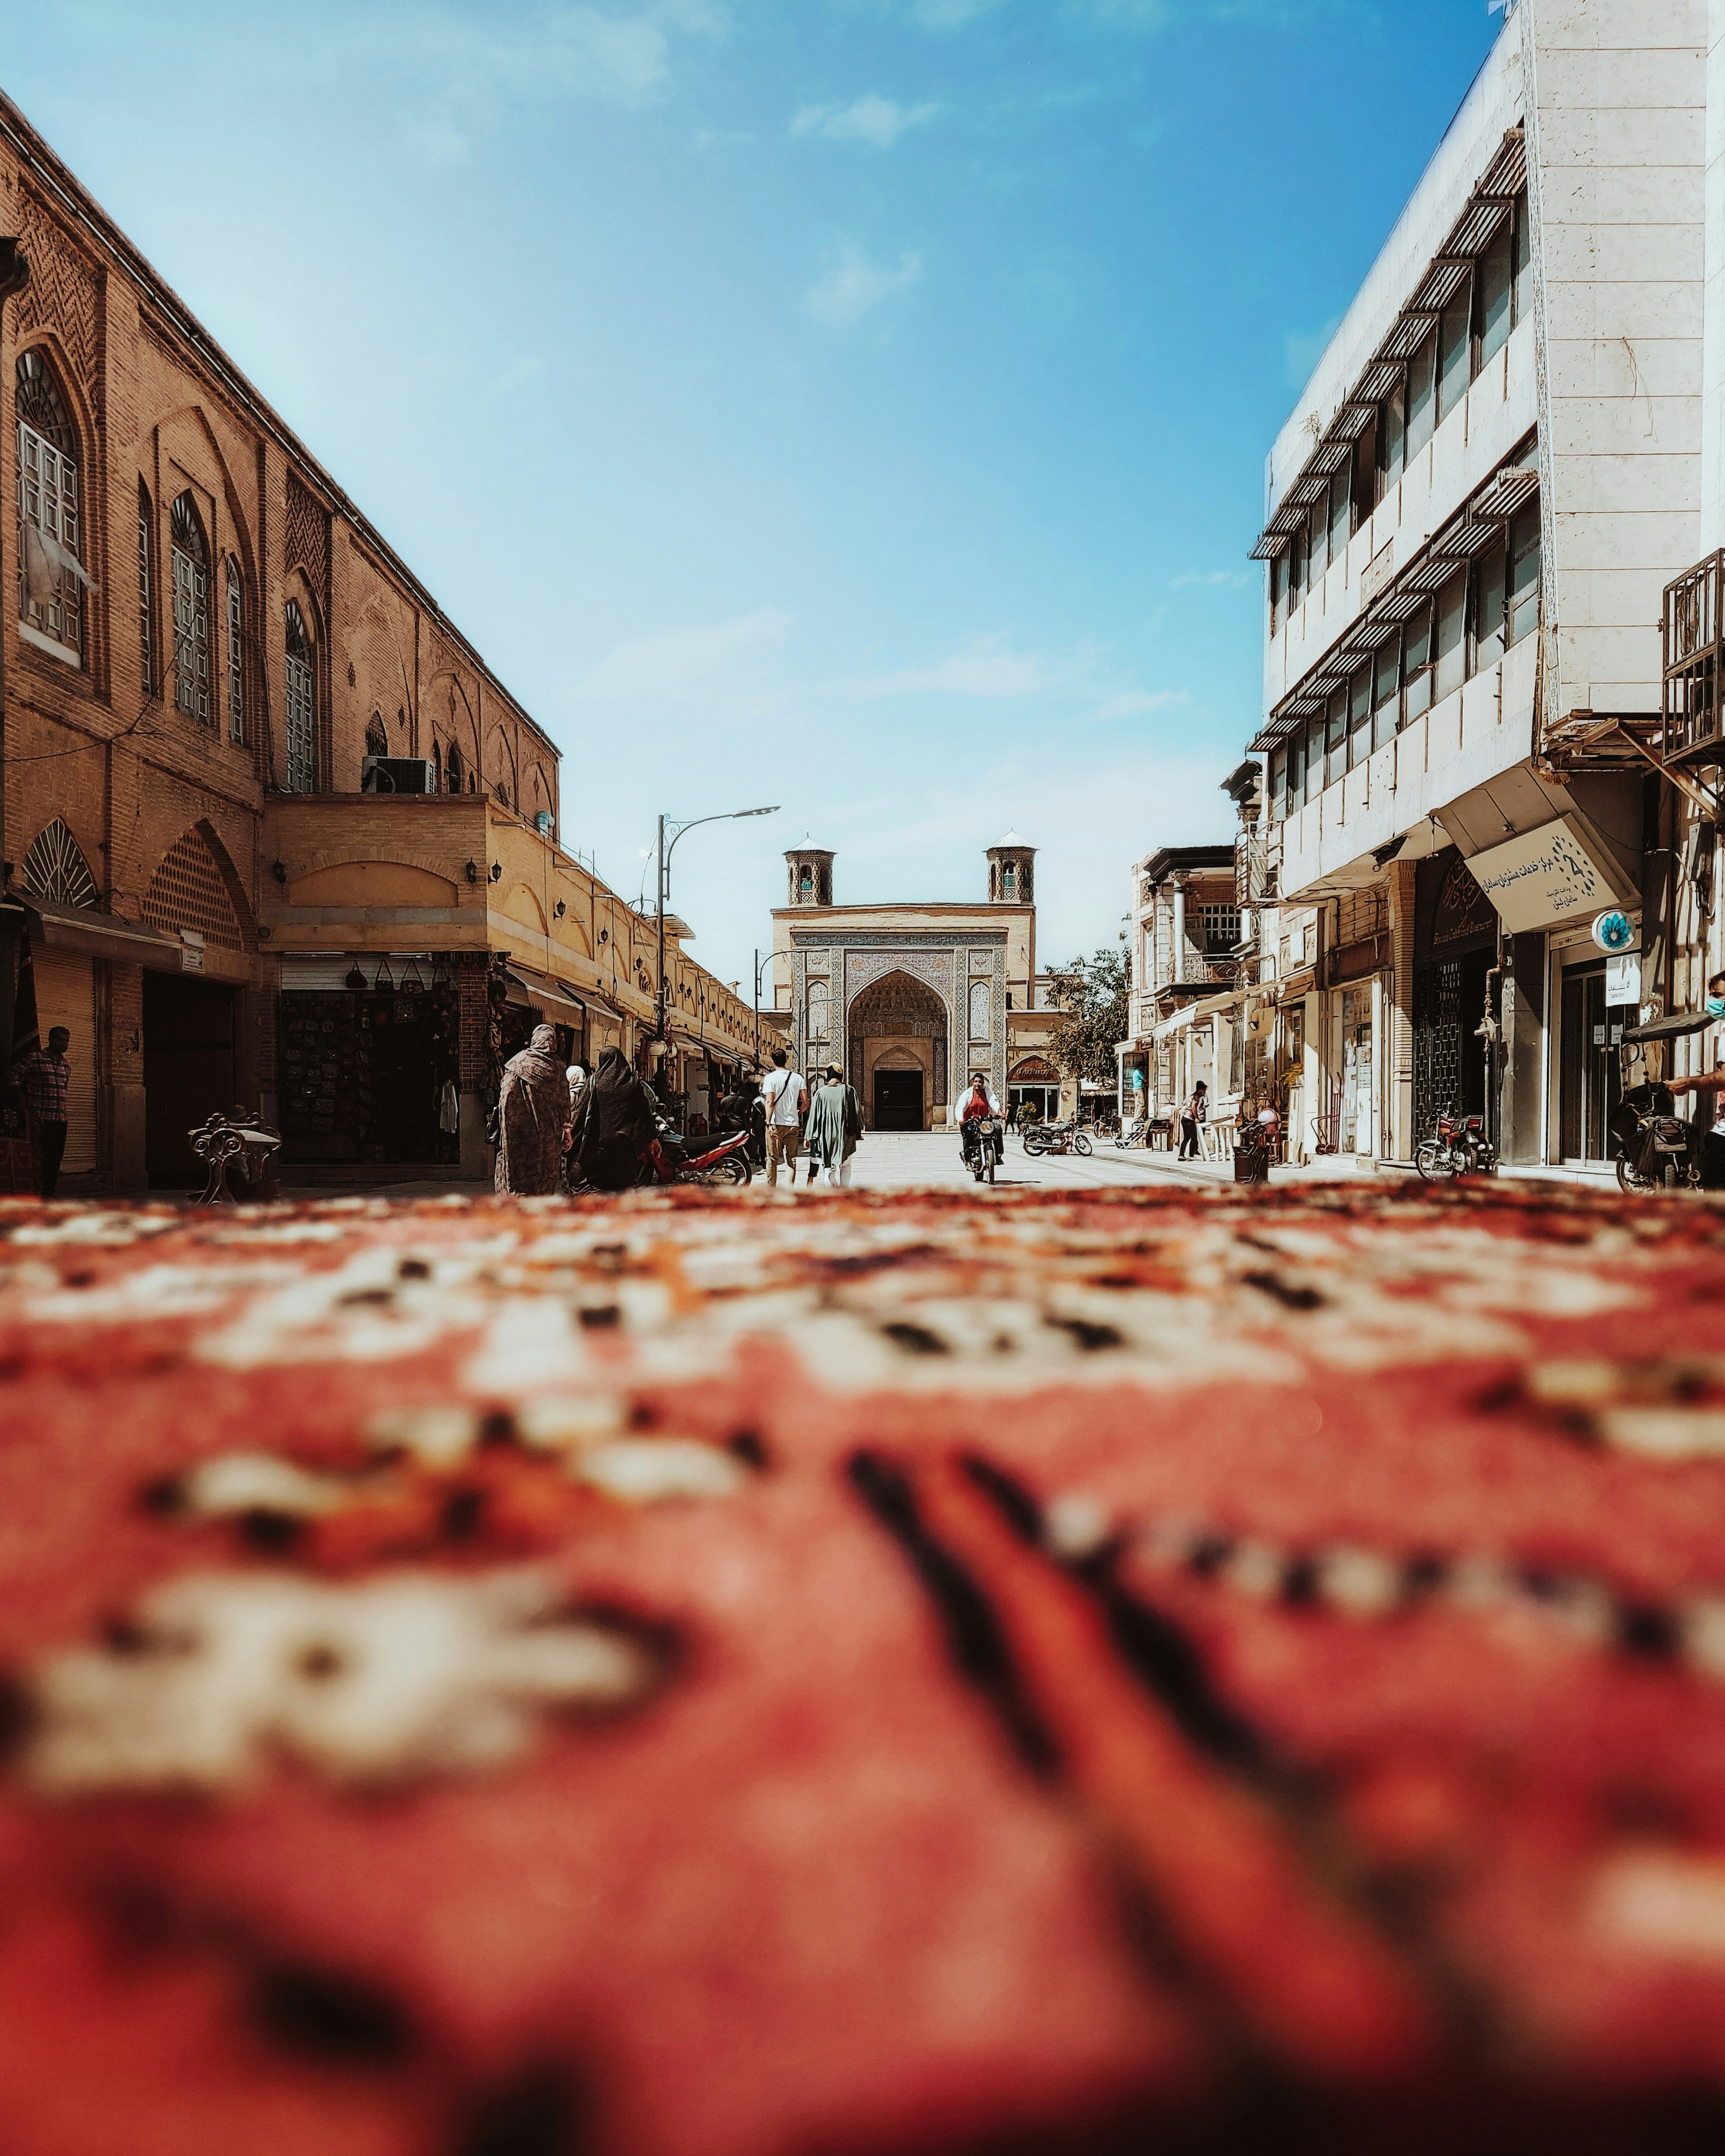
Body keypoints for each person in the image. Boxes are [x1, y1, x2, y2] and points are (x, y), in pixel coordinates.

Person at [494, 1024, 571, 1196]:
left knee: (518, 1169)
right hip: (547, 1134)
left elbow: (505, 1096)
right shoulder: (557, 1066)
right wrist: (567, 1133)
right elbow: (564, 1101)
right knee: (543, 1172)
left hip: (518, 1131)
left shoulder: (518, 1062)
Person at [572, 1044, 659, 1192]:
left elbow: (582, 1111)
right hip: (626, 1150)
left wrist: (571, 1136)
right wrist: (651, 1137)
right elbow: (644, 1113)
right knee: (623, 1190)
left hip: (599, 1148)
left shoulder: (594, 1083)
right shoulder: (633, 1084)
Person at [16, 1025, 71, 1198]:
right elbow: (13, 1075)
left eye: (67, 1041)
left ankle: (49, 1192)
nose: (65, 1044)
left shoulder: (66, 1066)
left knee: (56, 1158)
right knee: (40, 1157)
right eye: (61, 1040)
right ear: (52, 1040)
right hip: (41, 1118)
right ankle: (34, 1193)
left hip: (60, 1119)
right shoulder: (35, 1059)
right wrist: (22, 1100)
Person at [805, 1062, 863, 1189]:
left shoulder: (821, 1093)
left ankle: (833, 1195)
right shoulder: (849, 1090)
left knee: (829, 1169)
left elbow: (814, 1116)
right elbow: (858, 1114)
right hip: (846, 1134)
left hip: (826, 1136)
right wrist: (859, 1130)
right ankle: (844, 1193)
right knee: (846, 1165)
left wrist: (809, 1136)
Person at [759, 1047, 807, 1191]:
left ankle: (772, 1191)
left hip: (775, 1124)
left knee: (772, 1160)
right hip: (792, 1124)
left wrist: (768, 1122)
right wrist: (797, 1113)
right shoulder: (798, 1078)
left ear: (773, 1061)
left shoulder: (770, 1078)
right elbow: (806, 1102)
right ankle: (790, 1191)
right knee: (791, 1160)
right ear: (787, 1059)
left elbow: (770, 1102)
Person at [957, 1070, 1003, 1175]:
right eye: (976, 1082)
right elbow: (960, 1107)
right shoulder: (968, 1094)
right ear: (973, 1082)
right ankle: (967, 1157)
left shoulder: (987, 1092)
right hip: (970, 1121)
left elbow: (994, 1102)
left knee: (998, 1129)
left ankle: (998, 1155)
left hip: (984, 1122)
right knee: (968, 1131)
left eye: (980, 1082)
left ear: (983, 1084)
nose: (978, 1084)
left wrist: (1000, 1112)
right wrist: (960, 1119)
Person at [1178, 1078, 1208, 1160]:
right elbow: (1193, 1108)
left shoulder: (1191, 1096)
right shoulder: (1196, 1097)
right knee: (1194, 1138)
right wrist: (1196, 1118)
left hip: (1184, 1118)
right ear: (1200, 1090)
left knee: (1187, 1138)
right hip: (1189, 1119)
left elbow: (1184, 1104)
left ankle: (1181, 1155)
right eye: (1204, 1090)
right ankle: (1191, 1155)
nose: (1205, 1092)